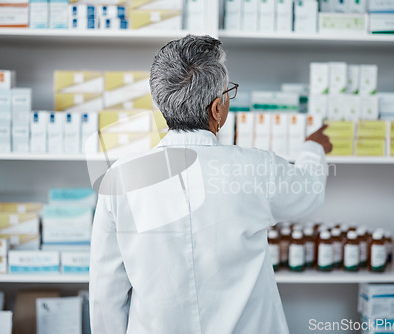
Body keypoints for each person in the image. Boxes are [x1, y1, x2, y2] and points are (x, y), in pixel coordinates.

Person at [90, 35, 332, 334]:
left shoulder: (122, 177)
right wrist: (313, 148)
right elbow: (308, 191)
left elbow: (106, 293)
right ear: (217, 108)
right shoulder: (257, 168)